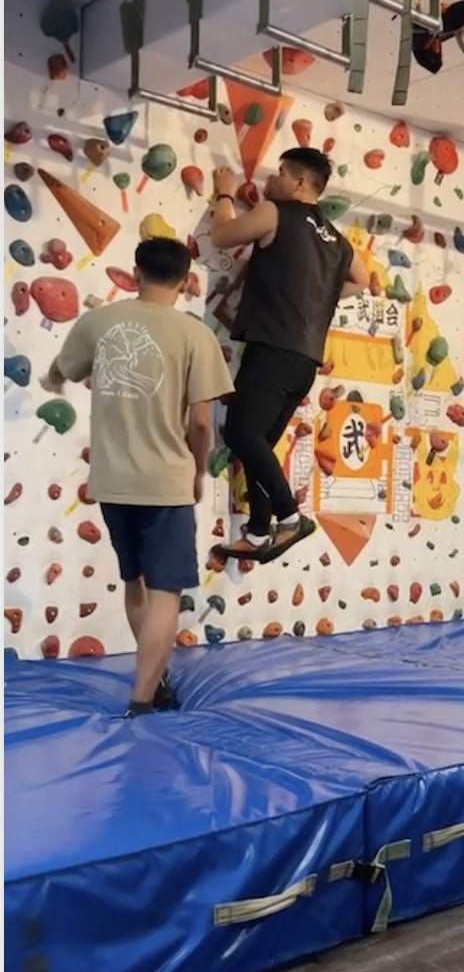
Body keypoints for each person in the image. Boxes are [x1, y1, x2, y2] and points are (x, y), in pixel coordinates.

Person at [43, 238, 233, 718]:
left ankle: (155, 675)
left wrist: (51, 379)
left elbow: (61, 371)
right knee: (166, 589)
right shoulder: (195, 336)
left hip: (113, 480)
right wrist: (195, 472)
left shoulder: (99, 322)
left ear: (135, 271)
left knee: (136, 582)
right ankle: (142, 699)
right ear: (187, 278)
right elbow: (203, 422)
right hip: (166, 480)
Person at [209, 149, 370, 563]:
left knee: (242, 435)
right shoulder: (336, 239)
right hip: (304, 360)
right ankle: (260, 530)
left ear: (300, 183)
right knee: (256, 443)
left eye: (280, 173)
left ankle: (288, 516)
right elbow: (362, 281)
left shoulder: (276, 212)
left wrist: (224, 195)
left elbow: (223, 236)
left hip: (274, 349)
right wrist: (315, 293)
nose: (271, 179)